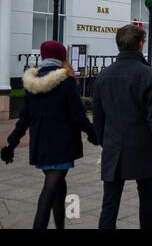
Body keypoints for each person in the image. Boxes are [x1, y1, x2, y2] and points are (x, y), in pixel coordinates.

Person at [0, 41, 98, 229]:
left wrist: (11, 144)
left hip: (41, 144)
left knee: (59, 187)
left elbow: (24, 119)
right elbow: (78, 116)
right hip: (62, 144)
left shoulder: (31, 83)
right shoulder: (67, 81)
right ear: (62, 57)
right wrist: (94, 134)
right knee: (49, 190)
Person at [93, 24, 152, 229]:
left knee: (110, 202)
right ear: (141, 44)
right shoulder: (150, 75)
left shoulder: (103, 76)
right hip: (142, 144)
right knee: (147, 196)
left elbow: (98, 116)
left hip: (114, 144)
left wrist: (103, 140)